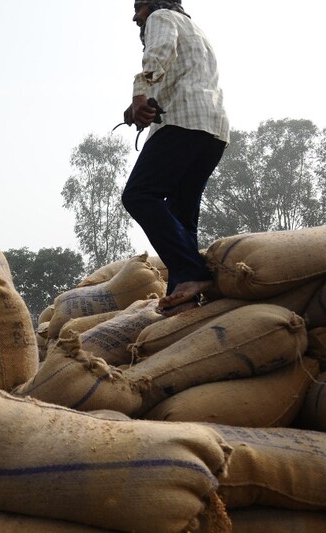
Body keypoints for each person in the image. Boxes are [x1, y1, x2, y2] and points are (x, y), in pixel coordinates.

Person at [120, 0, 229, 316]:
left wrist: (138, 94)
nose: (136, 15)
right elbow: (178, 77)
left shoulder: (162, 17)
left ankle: (193, 273)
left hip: (184, 123)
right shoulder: (196, 31)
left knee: (139, 195)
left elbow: (158, 55)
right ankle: (184, 293)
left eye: (140, 6)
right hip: (213, 130)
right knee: (180, 214)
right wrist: (140, 108)